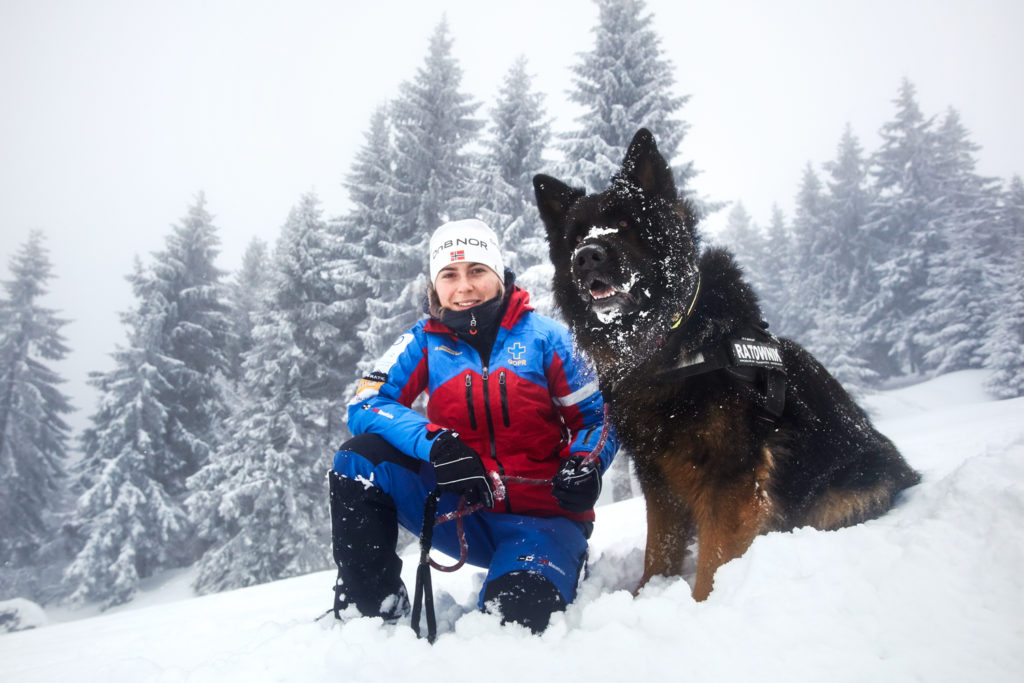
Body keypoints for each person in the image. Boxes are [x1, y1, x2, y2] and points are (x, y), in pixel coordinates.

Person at [329, 218, 617, 633]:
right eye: (449, 274)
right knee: (358, 460)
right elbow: (366, 402)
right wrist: (437, 445)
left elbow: (598, 417)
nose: (463, 287)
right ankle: (371, 610)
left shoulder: (548, 339)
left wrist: (586, 463)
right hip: (461, 512)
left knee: (514, 624)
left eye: (477, 271)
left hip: (544, 520)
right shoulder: (423, 340)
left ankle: (553, 564)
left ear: (498, 275)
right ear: (435, 285)